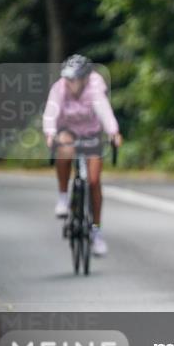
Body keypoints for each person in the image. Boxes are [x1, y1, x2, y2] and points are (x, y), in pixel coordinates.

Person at [42, 54, 123, 256]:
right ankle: (63, 197)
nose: (71, 83)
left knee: (94, 182)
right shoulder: (59, 88)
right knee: (65, 148)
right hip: (68, 129)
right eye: (68, 79)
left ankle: (96, 232)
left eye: (75, 79)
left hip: (91, 132)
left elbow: (104, 110)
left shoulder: (95, 86)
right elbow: (51, 112)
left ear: (86, 78)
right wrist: (50, 133)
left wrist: (113, 132)